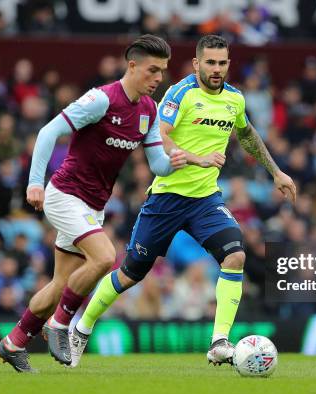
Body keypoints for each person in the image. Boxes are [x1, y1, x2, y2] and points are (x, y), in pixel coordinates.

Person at [66, 34, 297, 368]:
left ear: (228, 64)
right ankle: (82, 328)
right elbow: (159, 135)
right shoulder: (180, 93)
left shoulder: (234, 100)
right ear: (197, 64)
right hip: (166, 198)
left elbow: (246, 134)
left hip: (205, 200)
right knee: (130, 273)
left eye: (222, 63)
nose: (216, 69)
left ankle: (219, 342)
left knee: (235, 255)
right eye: (210, 63)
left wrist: (276, 172)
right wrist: (195, 158)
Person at [0, 34, 187, 372]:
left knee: (59, 285)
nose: (158, 79)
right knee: (105, 257)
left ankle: (14, 342)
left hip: (93, 206)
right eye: (153, 70)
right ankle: (59, 325)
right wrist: (35, 183)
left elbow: (157, 164)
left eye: (163, 72)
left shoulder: (150, 110)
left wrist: (177, 160)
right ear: (132, 66)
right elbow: (47, 133)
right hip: (64, 194)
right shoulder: (101, 99)